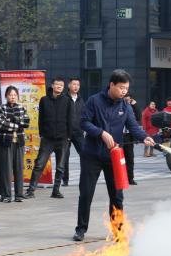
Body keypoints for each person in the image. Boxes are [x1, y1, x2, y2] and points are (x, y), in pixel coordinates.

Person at [73, 69, 155, 242]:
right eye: (121, 87)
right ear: (111, 85)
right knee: (86, 193)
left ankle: (117, 230)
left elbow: (134, 127)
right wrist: (101, 133)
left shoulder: (125, 106)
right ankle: (81, 229)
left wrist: (144, 137)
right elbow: (84, 122)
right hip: (92, 155)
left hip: (114, 157)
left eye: (126, 88)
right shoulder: (94, 100)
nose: (124, 91)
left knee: (117, 195)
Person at [25, 77, 70, 199]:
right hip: (48, 139)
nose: (59, 86)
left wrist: (69, 136)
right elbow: (40, 118)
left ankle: (56, 190)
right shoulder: (44, 100)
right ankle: (30, 190)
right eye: (57, 84)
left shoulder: (67, 100)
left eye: (61, 85)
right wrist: (42, 134)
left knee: (60, 167)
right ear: (52, 85)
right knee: (39, 164)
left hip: (62, 138)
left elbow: (70, 119)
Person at [0, 86, 30, 203]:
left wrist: (12, 119)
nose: (12, 97)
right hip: (6, 142)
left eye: (14, 95)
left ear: (17, 96)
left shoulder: (21, 108)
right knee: (6, 169)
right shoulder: (1, 108)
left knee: (19, 168)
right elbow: (1, 124)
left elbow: (26, 122)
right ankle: (6, 195)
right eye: (10, 95)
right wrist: (17, 125)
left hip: (19, 142)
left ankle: (19, 195)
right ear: (6, 96)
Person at [63, 77, 85, 187]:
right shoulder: (64, 98)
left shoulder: (81, 99)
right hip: (66, 132)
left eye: (78, 85)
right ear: (69, 85)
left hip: (79, 132)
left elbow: (85, 115)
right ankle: (65, 180)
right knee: (64, 156)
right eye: (74, 84)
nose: (76, 86)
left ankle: (85, 177)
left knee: (85, 154)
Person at [122, 92, 141, 185]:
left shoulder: (132, 108)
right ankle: (120, 178)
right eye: (126, 100)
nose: (127, 102)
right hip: (119, 136)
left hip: (129, 136)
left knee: (130, 158)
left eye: (129, 100)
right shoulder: (118, 107)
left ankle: (130, 178)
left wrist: (135, 105)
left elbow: (138, 117)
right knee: (119, 159)